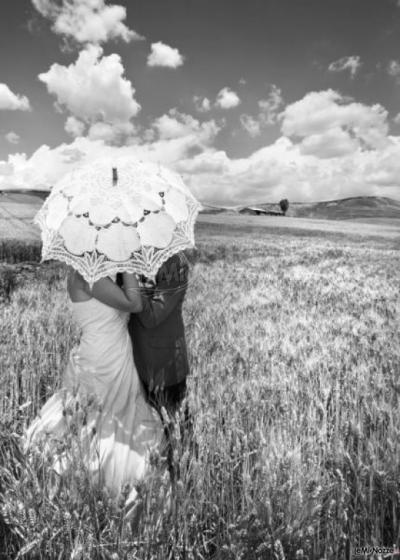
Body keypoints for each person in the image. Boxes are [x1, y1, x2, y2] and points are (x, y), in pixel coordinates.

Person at [22, 269, 166, 506]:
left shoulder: (100, 277)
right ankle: (90, 486)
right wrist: (129, 266)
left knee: (112, 417)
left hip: (117, 358)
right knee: (99, 422)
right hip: (102, 362)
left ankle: (98, 490)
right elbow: (134, 303)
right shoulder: (89, 277)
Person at [126, 251, 192, 482]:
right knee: (147, 437)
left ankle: (183, 488)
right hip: (134, 362)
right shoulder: (134, 256)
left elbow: (153, 315)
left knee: (176, 437)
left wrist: (131, 291)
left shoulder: (175, 262)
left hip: (165, 365)